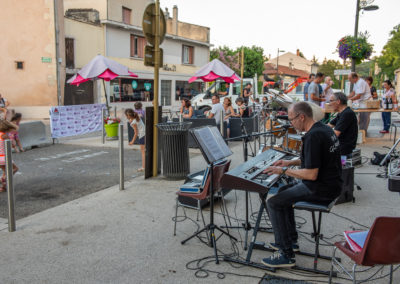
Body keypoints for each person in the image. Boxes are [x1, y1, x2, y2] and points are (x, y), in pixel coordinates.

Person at [261, 102, 342, 268]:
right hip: (332, 183)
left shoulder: (313, 136)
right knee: (284, 190)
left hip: (322, 188)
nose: (291, 123)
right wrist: (289, 162)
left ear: (302, 117)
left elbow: (311, 174)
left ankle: (286, 254)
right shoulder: (324, 129)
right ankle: (290, 240)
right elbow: (315, 159)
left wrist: (282, 171)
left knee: (273, 203)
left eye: (292, 120)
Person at [0, 119, 19, 192]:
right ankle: (3, 180)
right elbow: (11, 145)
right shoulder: (4, 135)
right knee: (15, 169)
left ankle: (3, 187)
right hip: (4, 158)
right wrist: (13, 143)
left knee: (5, 171)